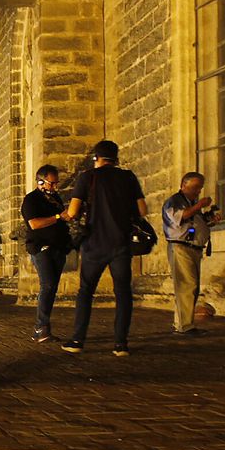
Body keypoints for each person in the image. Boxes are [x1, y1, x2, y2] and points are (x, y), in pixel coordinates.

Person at [60, 140, 147, 356]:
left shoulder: (87, 177)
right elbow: (142, 210)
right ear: (116, 158)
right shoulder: (128, 177)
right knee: (123, 292)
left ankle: (78, 340)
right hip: (121, 243)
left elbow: (72, 211)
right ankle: (120, 344)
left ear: (96, 158)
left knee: (86, 291)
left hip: (94, 244)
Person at [21, 164, 71, 343]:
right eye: (52, 183)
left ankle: (43, 328)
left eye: (56, 183)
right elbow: (34, 223)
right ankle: (40, 327)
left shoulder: (55, 198)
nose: (55, 187)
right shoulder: (31, 200)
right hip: (42, 249)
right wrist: (58, 217)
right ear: (40, 181)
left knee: (52, 288)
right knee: (47, 286)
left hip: (58, 248)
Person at [162, 171, 216, 335]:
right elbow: (181, 217)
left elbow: (194, 221)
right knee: (186, 285)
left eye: (199, 188)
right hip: (181, 247)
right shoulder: (175, 201)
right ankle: (184, 326)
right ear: (183, 185)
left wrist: (210, 220)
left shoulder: (191, 202)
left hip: (193, 248)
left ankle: (183, 323)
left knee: (190, 286)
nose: (198, 191)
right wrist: (199, 205)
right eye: (195, 187)